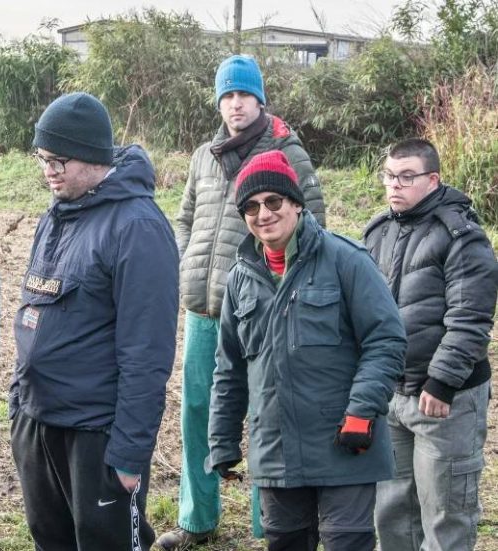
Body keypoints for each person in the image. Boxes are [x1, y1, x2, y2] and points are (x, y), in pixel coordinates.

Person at [157, 54, 326, 550]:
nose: (235, 104)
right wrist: (188, 257)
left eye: (244, 95)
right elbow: (185, 215)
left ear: (260, 99)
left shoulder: (286, 151)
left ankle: (268, 523)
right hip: (203, 308)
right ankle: (197, 519)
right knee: (197, 411)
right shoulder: (203, 154)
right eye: (227, 96)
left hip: (260, 310)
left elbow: (312, 220)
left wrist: (274, 284)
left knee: (262, 416)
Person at [206, 150, 406, 551]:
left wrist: (362, 411)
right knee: (284, 542)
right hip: (274, 450)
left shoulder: (346, 260)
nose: (263, 214)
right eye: (251, 206)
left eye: (273, 201)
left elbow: (386, 340)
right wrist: (222, 441)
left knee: (345, 543)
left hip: (345, 444)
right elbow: (228, 369)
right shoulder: (239, 278)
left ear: (295, 203)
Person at [10, 92, 179, 551]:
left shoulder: (137, 227)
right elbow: (33, 310)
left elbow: (147, 355)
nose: (50, 169)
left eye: (60, 158)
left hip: (95, 437)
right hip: (39, 423)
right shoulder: (58, 213)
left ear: (92, 155)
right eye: (43, 157)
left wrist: (128, 454)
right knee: (52, 539)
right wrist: (18, 409)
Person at [363, 138, 497, 551]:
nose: (394, 186)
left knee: (445, 515)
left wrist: (441, 382)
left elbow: (470, 320)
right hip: (392, 395)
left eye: (407, 177)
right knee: (392, 510)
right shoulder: (377, 231)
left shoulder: (463, 237)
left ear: (433, 179)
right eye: (389, 176)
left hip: (445, 402)